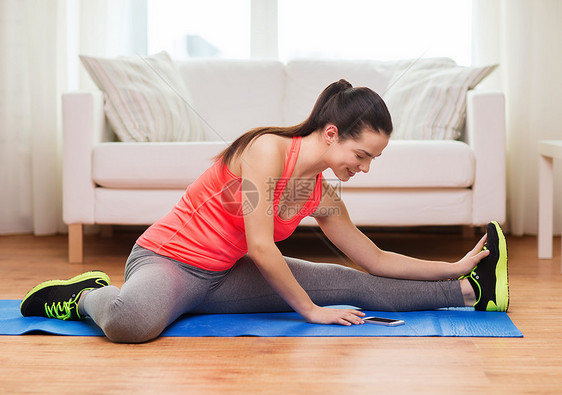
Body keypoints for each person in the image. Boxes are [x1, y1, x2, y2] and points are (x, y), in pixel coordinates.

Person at [20, 79, 509, 343]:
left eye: (372, 161)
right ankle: (86, 296)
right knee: (132, 324)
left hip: (232, 273)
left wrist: (455, 265)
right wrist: (311, 312)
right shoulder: (266, 152)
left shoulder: (321, 193)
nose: (363, 168)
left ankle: (471, 292)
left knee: (359, 287)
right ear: (332, 133)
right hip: (169, 261)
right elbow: (260, 242)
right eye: (361, 156)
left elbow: (374, 258)